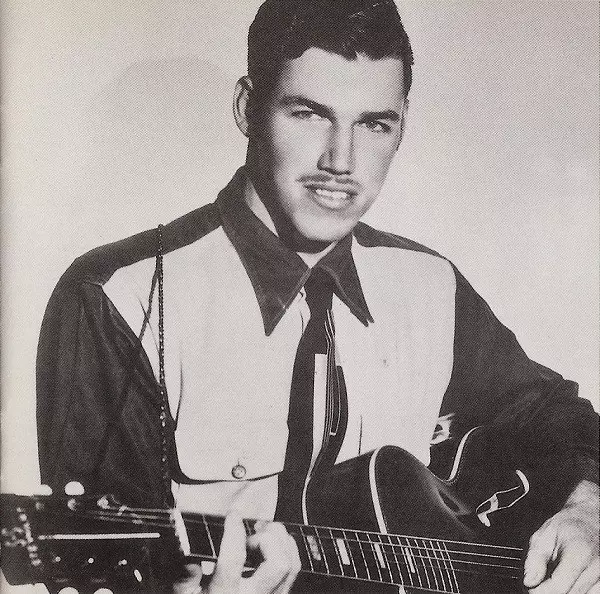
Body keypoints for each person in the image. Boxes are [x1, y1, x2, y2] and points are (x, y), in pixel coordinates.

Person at [36, 0, 599, 592]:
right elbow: (98, 570)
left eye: (374, 124)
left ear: (402, 128)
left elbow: (562, 421)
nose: (341, 161)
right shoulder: (119, 297)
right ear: (247, 108)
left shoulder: (429, 284)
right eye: (309, 114)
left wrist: (588, 504)